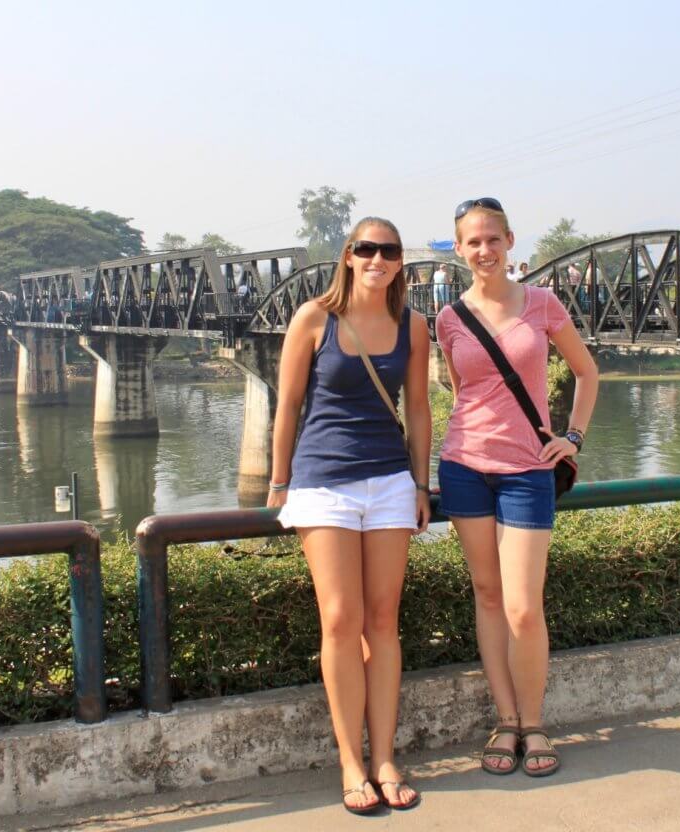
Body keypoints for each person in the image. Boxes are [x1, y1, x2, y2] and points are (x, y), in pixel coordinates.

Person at [267, 216, 431, 814]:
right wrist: (279, 479)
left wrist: (420, 483)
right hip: (323, 484)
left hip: (389, 482)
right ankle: (351, 762)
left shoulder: (413, 326)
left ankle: (385, 756)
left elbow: (418, 409)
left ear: (398, 262)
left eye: (388, 251)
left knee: (382, 621)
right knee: (340, 619)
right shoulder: (314, 318)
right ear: (349, 255)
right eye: (367, 249)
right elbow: (286, 406)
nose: (377, 259)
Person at [435, 198, 599, 778]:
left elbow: (587, 371)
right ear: (459, 249)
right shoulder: (449, 317)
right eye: (472, 242)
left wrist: (572, 437)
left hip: (528, 469)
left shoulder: (543, 304)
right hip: (463, 465)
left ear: (509, 242)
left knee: (524, 608)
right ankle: (505, 720)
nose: (484, 250)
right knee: (487, 595)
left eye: (493, 239)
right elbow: (462, 391)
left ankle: (534, 722)